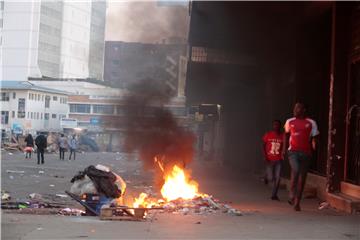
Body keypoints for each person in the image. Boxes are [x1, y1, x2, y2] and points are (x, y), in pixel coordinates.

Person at [283, 102, 319, 211]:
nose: (295, 110)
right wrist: (284, 149)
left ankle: (297, 202)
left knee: (302, 179)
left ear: (304, 110)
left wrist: (314, 144)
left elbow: (315, 136)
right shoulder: (289, 121)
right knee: (296, 169)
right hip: (293, 152)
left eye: (298, 108)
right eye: (294, 108)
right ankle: (292, 193)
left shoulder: (311, 122)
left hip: (306, 153)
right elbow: (285, 134)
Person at [262, 120, 284, 201]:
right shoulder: (268, 134)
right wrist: (265, 156)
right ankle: (266, 176)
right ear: (273, 126)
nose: (276, 126)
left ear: (280, 126)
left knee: (278, 178)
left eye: (278, 125)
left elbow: (284, 147)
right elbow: (263, 145)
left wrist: (283, 154)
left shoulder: (282, 136)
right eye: (275, 125)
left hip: (279, 160)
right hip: (269, 159)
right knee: (271, 178)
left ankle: (274, 195)